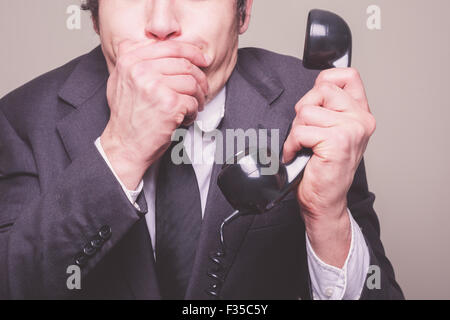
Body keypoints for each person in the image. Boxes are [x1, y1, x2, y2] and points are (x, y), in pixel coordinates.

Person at [0, 0, 403, 299]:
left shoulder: (308, 101)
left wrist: (326, 218)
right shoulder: (21, 118)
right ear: (94, 14)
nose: (161, 24)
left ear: (242, 12)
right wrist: (121, 150)